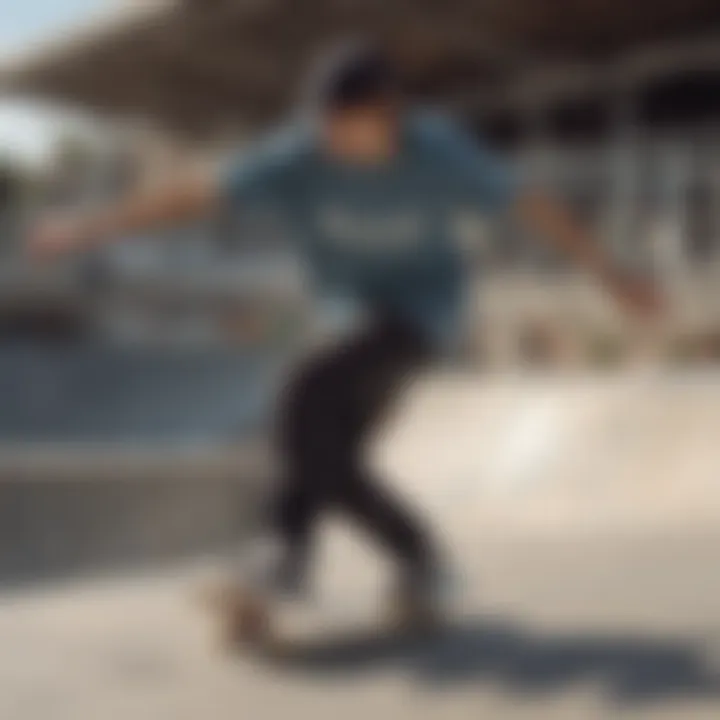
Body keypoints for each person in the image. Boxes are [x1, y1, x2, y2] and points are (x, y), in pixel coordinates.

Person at [29, 42, 662, 643]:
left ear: (389, 115)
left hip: (422, 316)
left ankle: (286, 563)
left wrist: (612, 274)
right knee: (323, 456)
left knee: (302, 391)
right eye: (326, 124)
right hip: (345, 318)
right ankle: (418, 565)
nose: (333, 139)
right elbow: (195, 194)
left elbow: (532, 204)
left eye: (348, 125)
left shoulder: (438, 148)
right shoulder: (298, 154)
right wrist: (91, 228)